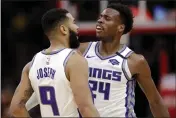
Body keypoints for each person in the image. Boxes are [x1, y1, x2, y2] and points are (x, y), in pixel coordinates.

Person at [26, 3, 170, 117]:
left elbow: (155, 101)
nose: (100, 20)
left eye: (107, 18)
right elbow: (46, 76)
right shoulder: (80, 52)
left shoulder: (135, 61)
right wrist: (26, 104)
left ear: (120, 27)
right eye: (100, 17)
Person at [9, 8, 100, 117]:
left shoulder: (32, 64)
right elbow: (85, 108)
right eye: (74, 23)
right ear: (63, 29)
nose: (77, 27)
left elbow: (16, 108)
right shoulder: (74, 60)